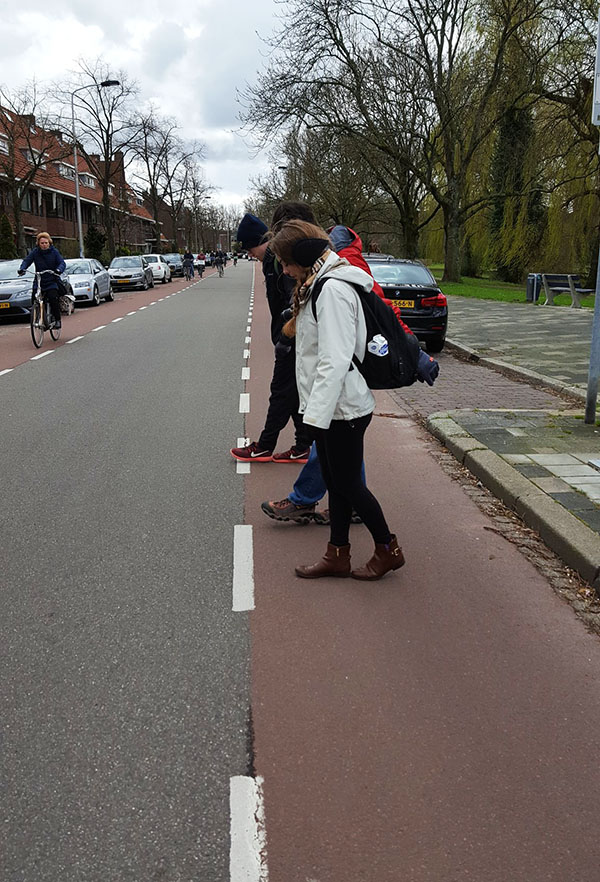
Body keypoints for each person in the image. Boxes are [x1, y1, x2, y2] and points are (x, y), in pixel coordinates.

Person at [268, 219, 406, 580]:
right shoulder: (320, 283)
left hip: (342, 409)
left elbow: (334, 358)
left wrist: (314, 418)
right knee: (336, 482)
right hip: (333, 406)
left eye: (285, 260)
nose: (283, 268)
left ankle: (388, 548)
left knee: (348, 485)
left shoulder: (332, 290)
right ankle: (337, 554)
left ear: (302, 255)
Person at [229, 205, 316, 464]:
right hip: (289, 338)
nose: (249, 254)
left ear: (260, 243)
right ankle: (302, 445)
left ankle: (265, 446)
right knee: (292, 393)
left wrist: (285, 338)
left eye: (249, 248)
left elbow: (293, 301)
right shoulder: (273, 260)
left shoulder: (279, 261)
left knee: (280, 391)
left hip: (290, 339)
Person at [19, 231, 66, 328]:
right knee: (34, 298)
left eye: (46, 243)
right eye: (42, 243)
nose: (44, 245)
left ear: (49, 243)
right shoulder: (35, 252)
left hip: (51, 280)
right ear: (38, 244)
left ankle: (57, 319)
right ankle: (38, 316)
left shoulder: (54, 252)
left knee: (53, 298)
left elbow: (62, 263)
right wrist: (22, 269)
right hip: (39, 280)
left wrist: (58, 270)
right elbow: (27, 261)